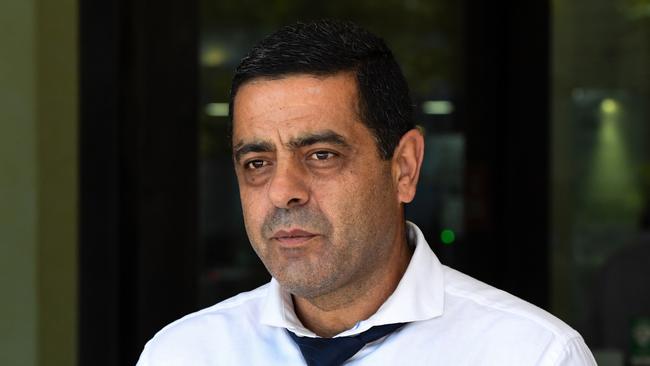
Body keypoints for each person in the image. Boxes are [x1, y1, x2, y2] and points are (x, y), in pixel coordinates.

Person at [136, 19, 596, 365]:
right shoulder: (182, 354)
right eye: (257, 163)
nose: (282, 192)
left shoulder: (532, 355)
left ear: (404, 167)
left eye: (321, 155)